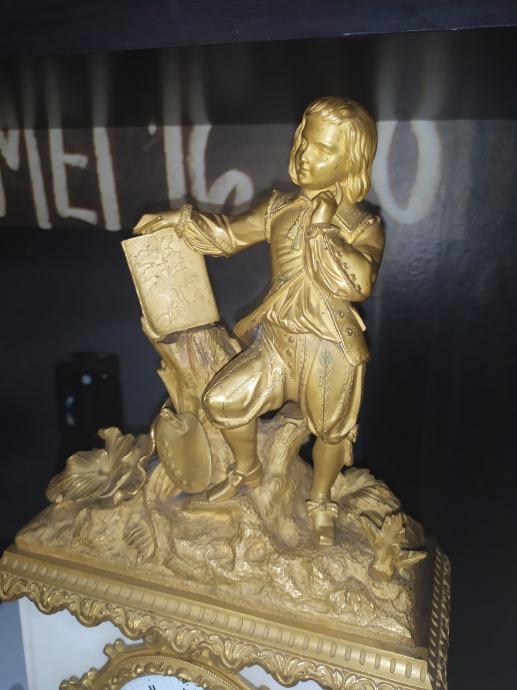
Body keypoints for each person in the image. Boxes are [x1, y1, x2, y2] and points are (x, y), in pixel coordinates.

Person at [134, 97, 384, 545]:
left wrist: (323, 227)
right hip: (276, 342)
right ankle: (248, 473)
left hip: (329, 348)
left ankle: (320, 500)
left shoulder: (362, 225)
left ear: (351, 162)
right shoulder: (278, 208)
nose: (306, 155)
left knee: (331, 431)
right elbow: (228, 236)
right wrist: (179, 222)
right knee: (223, 401)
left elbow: (356, 284)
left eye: (323, 150)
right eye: (304, 142)